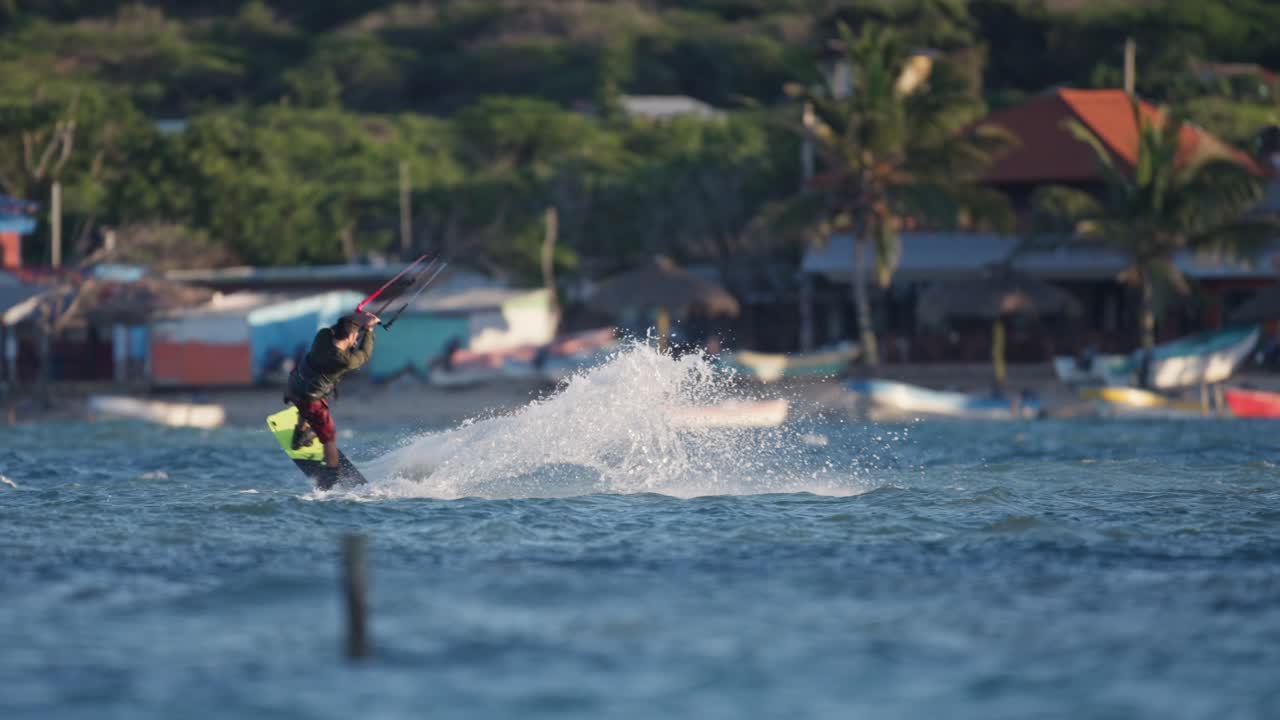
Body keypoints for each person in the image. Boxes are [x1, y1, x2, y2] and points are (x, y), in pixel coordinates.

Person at [285, 311, 380, 474]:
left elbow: (336, 328)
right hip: (311, 399)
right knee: (329, 437)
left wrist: (357, 317)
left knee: (305, 407)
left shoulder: (322, 336)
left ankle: (301, 432)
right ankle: (332, 475)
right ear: (351, 336)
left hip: (294, 386)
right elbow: (364, 354)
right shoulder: (344, 360)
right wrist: (369, 330)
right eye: (355, 335)